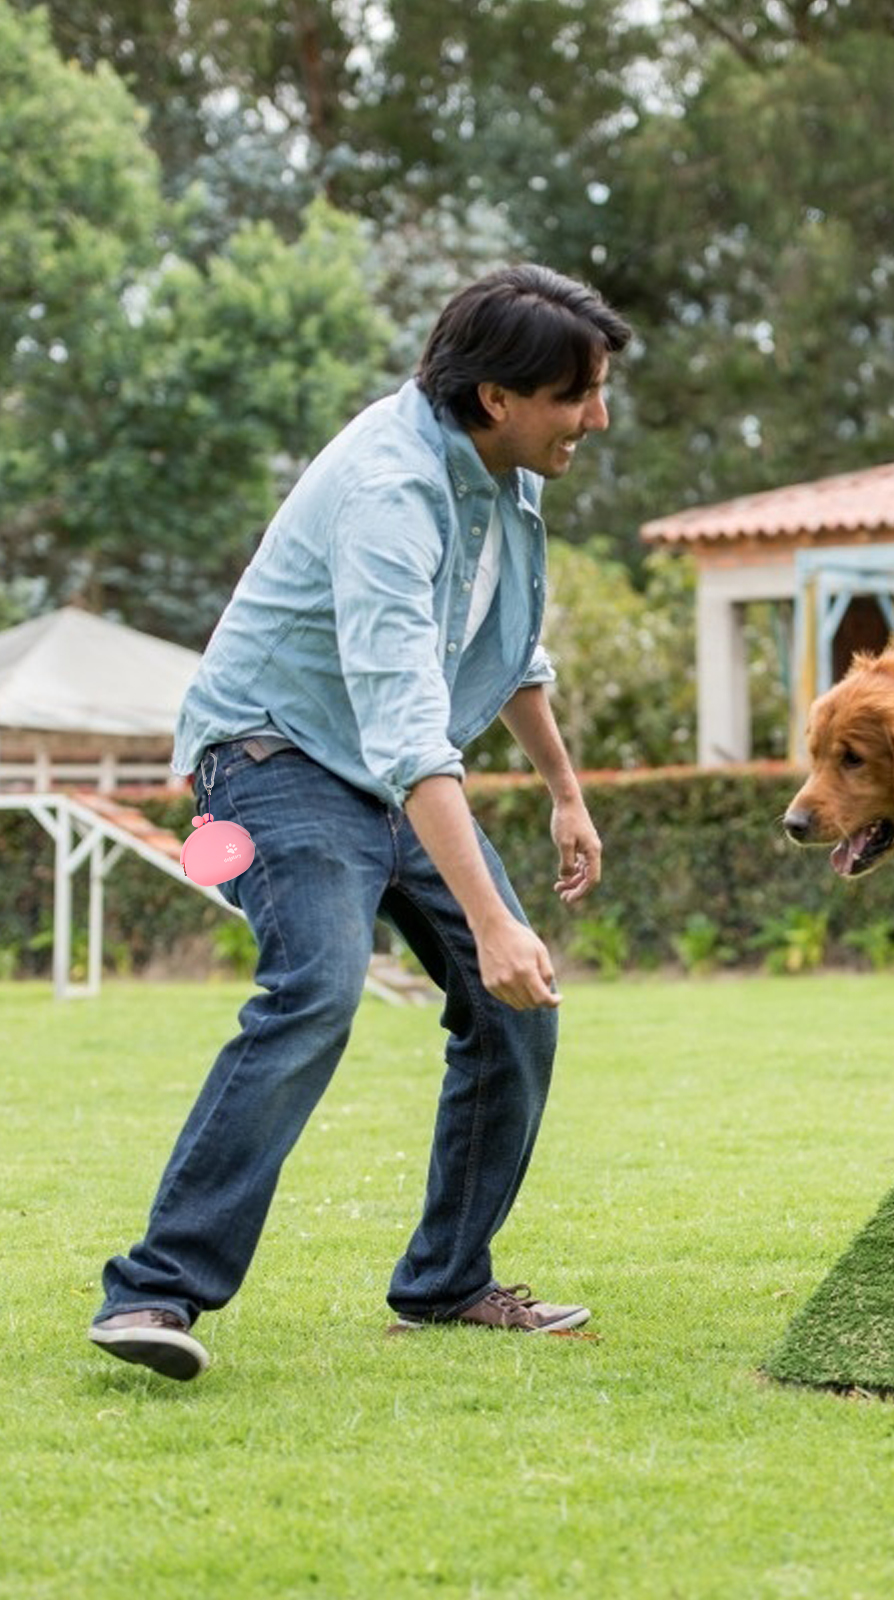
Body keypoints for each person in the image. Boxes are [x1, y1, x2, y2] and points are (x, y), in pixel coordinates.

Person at [89, 265, 632, 1381]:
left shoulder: (501, 472)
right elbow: (407, 730)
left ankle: (446, 1283)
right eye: (577, 394)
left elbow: (508, 648)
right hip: (270, 754)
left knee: (518, 1013)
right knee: (320, 988)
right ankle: (154, 1291)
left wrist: (565, 791)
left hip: (377, 769)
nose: (598, 417)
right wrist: (492, 922)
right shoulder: (390, 490)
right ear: (496, 397)